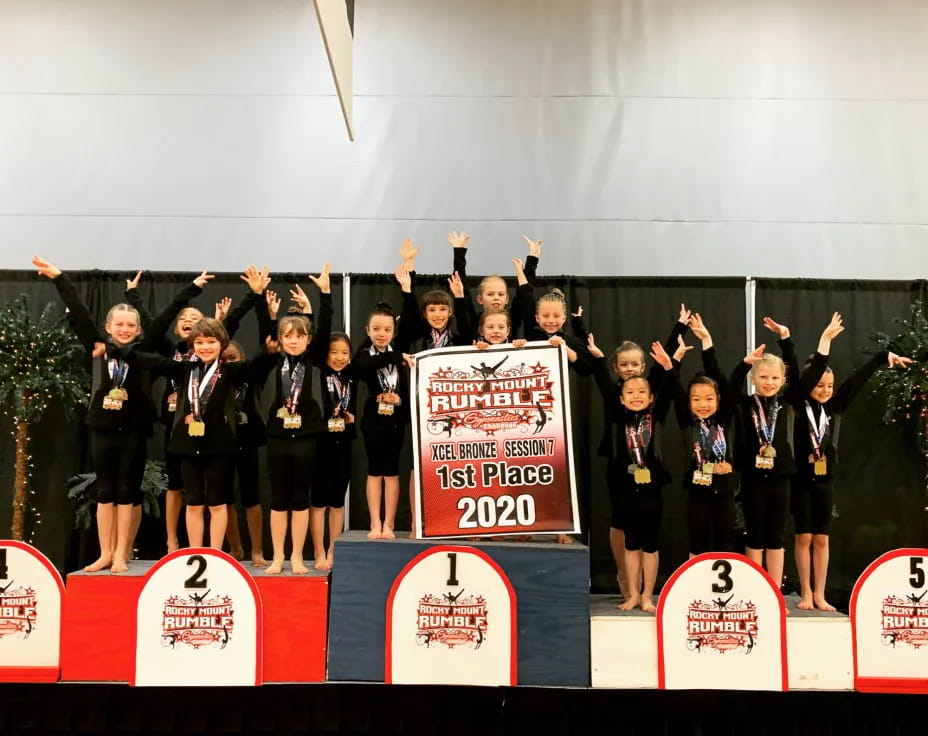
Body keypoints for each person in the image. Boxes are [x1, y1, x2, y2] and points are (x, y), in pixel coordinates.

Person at [32, 255, 209, 572]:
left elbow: (166, 316)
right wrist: (59, 277)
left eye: (131, 325)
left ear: (138, 329)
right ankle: (105, 552)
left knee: (127, 492)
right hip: (101, 426)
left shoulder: (143, 349)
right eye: (119, 325)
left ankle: (121, 553)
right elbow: (81, 313)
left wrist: (191, 290)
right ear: (107, 327)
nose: (125, 330)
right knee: (105, 492)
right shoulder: (97, 346)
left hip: (134, 428)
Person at [126, 264, 269, 553]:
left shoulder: (230, 371)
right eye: (200, 342)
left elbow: (265, 356)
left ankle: (215, 553)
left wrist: (256, 297)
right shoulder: (180, 366)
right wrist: (113, 348)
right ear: (191, 342)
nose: (205, 347)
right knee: (192, 501)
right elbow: (144, 353)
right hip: (185, 442)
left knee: (217, 502)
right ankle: (193, 551)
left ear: (221, 343)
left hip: (220, 444)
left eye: (211, 342)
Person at [791, 313, 912, 610]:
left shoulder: (836, 406)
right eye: (819, 385)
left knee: (821, 538)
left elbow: (857, 379)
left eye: (829, 386)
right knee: (803, 535)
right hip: (800, 480)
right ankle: (805, 592)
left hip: (825, 479)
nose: (825, 391)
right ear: (808, 385)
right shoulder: (796, 403)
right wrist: (826, 341)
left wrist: (884, 357)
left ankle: (820, 593)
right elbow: (808, 379)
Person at [251, 265, 332, 574]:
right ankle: (278, 557)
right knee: (278, 499)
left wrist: (325, 294)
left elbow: (324, 328)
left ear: (308, 340)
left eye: (300, 336)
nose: (294, 341)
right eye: (288, 336)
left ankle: (298, 555)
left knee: (301, 499)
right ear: (281, 339)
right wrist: (259, 297)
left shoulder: (314, 361)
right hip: (277, 438)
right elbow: (265, 332)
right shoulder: (273, 361)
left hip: (307, 438)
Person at [588, 333, 677, 612]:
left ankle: (648, 595)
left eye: (641, 393)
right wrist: (600, 360)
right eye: (630, 393)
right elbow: (604, 385)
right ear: (621, 398)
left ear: (650, 397)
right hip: (624, 485)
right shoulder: (616, 415)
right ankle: (632, 593)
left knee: (650, 543)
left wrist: (669, 367)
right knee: (630, 541)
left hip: (651, 488)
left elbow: (669, 387)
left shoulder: (656, 414)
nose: (636, 396)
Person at [730, 317, 800, 590]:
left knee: (776, 536)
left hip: (781, 475)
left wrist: (785, 339)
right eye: (763, 376)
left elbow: (799, 378)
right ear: (753, 378)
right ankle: (756, 590)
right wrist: (744, 364)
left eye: (774, 378)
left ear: (783, 380)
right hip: (752, 475)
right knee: (755, 534)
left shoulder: (786, 403)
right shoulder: (745, 403)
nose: (769, 382)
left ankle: (774, 590)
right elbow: (729, 387)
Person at [673, 313, 738, 556]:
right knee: (697, 539)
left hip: (725, 491)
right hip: (697, 491)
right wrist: (674, 363)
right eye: (696, 399)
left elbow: (721, 380)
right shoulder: (687, 422)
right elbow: (674, 388)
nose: (703, 404)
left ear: (719, 400)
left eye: (709, 398)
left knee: (725, 540)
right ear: (688, 402)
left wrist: (707, 343)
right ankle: (695, 588)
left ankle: (721, 592)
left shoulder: (725, 418)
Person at [353, 301, 415, 540]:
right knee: (374, 471)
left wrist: (397, 400)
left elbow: (406, 391)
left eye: (387, 329)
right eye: (376, 329)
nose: (381, 334)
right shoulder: (365, 355)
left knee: (391, 472)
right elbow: (365, 365)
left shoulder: (400, 352)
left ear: (393, 331)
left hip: (396, 421)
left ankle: (388, 523)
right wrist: (396, 355)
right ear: (367, 331)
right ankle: (374, 523)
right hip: (373, 421)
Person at [219, 340, 267, 567]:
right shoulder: (217, 377)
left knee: (251, 497)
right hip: (222, 441)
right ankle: (235, 547)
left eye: (233, 359)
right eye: (224, 359)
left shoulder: (252, 375)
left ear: (243, 358)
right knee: (225, 498)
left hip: (248, 439)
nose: (229, 363)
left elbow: (264, 360)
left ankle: (257, 549)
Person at [312, 331, 356, 569]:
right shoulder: (318, 373)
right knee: (319, 501)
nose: (339, 357)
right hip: (320, 443)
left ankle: (332, 549)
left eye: (344, 352)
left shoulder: (351, 376)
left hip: (344, 442)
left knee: (337, 501)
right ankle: (319, 550)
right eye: (334, 352)